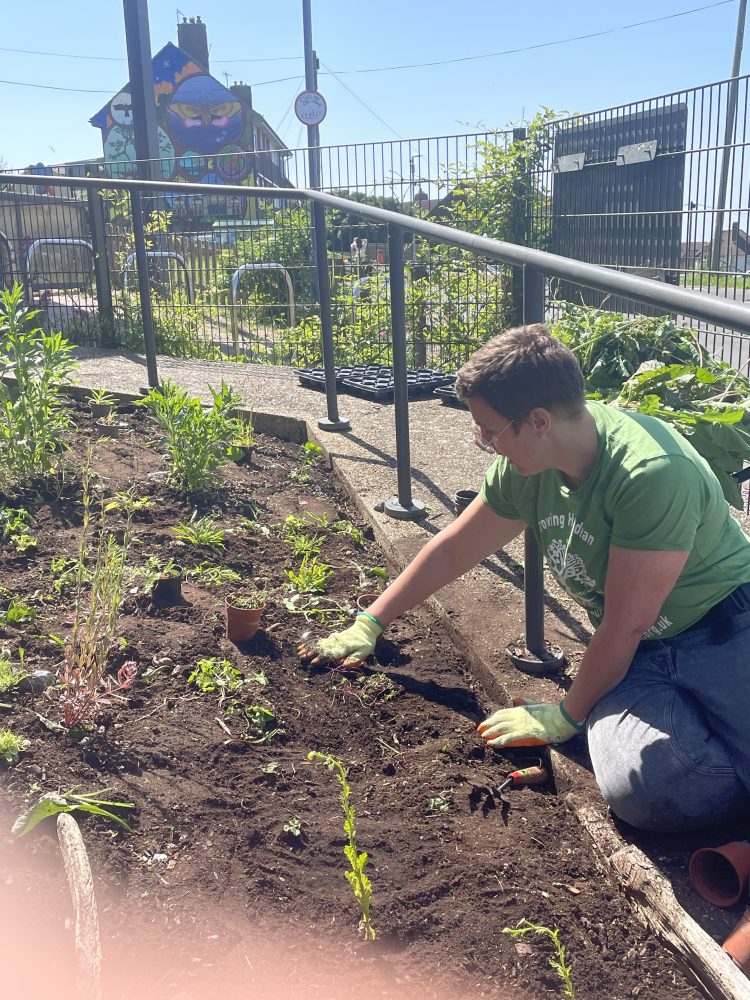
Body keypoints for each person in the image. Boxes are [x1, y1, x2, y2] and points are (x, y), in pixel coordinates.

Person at [299, 324, 750, 833]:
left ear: (538, 421)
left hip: (724, 628)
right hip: (641, 653)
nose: (482, 441)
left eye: (489, 430)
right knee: (644, 793)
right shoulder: (527, 467)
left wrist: (563, 714)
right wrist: (370, 622)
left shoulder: (650, 474)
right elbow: (453, 550)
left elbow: (623, 624)